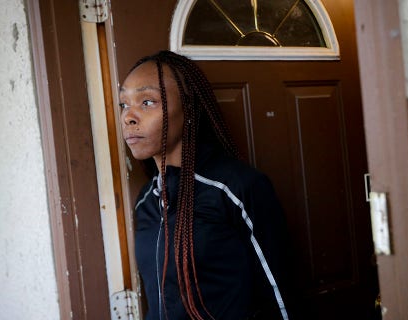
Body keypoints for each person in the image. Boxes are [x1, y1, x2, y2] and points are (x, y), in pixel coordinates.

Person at [119, 50, 294, 320]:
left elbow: (282, 299)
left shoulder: (235, 188)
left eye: (147, 102)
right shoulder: (146, 200)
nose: (129, 117)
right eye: (123, 104)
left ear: (188, 109)